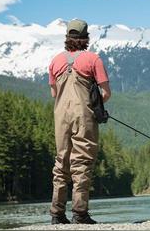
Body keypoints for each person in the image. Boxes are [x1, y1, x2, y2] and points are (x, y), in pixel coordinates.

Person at [48, 19, 111, 224]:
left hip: (60, 117)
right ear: (86, 38)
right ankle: (80, 213)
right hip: (84, 116)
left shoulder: (55, 61)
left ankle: (57, 214)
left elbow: (53, 93)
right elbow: (105, 93)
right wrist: (95, 105)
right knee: (81, 162)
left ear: (67, 38)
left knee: (61, 162)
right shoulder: (93, 59)